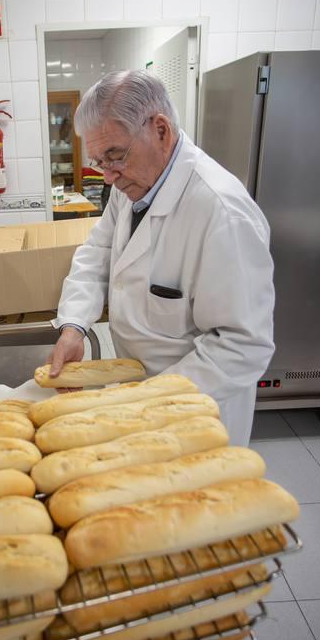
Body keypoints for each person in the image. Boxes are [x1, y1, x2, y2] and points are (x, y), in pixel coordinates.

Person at [47, 70, 275, 446]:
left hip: (197, 410)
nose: (107, 176)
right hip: (139, 397)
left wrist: (151, 401)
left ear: (160, 130)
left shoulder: (221, 212)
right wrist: (74, 325)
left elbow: (243, 343)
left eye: (115, 156)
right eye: (99, 161)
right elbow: (98, 251)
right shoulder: (131, 185)